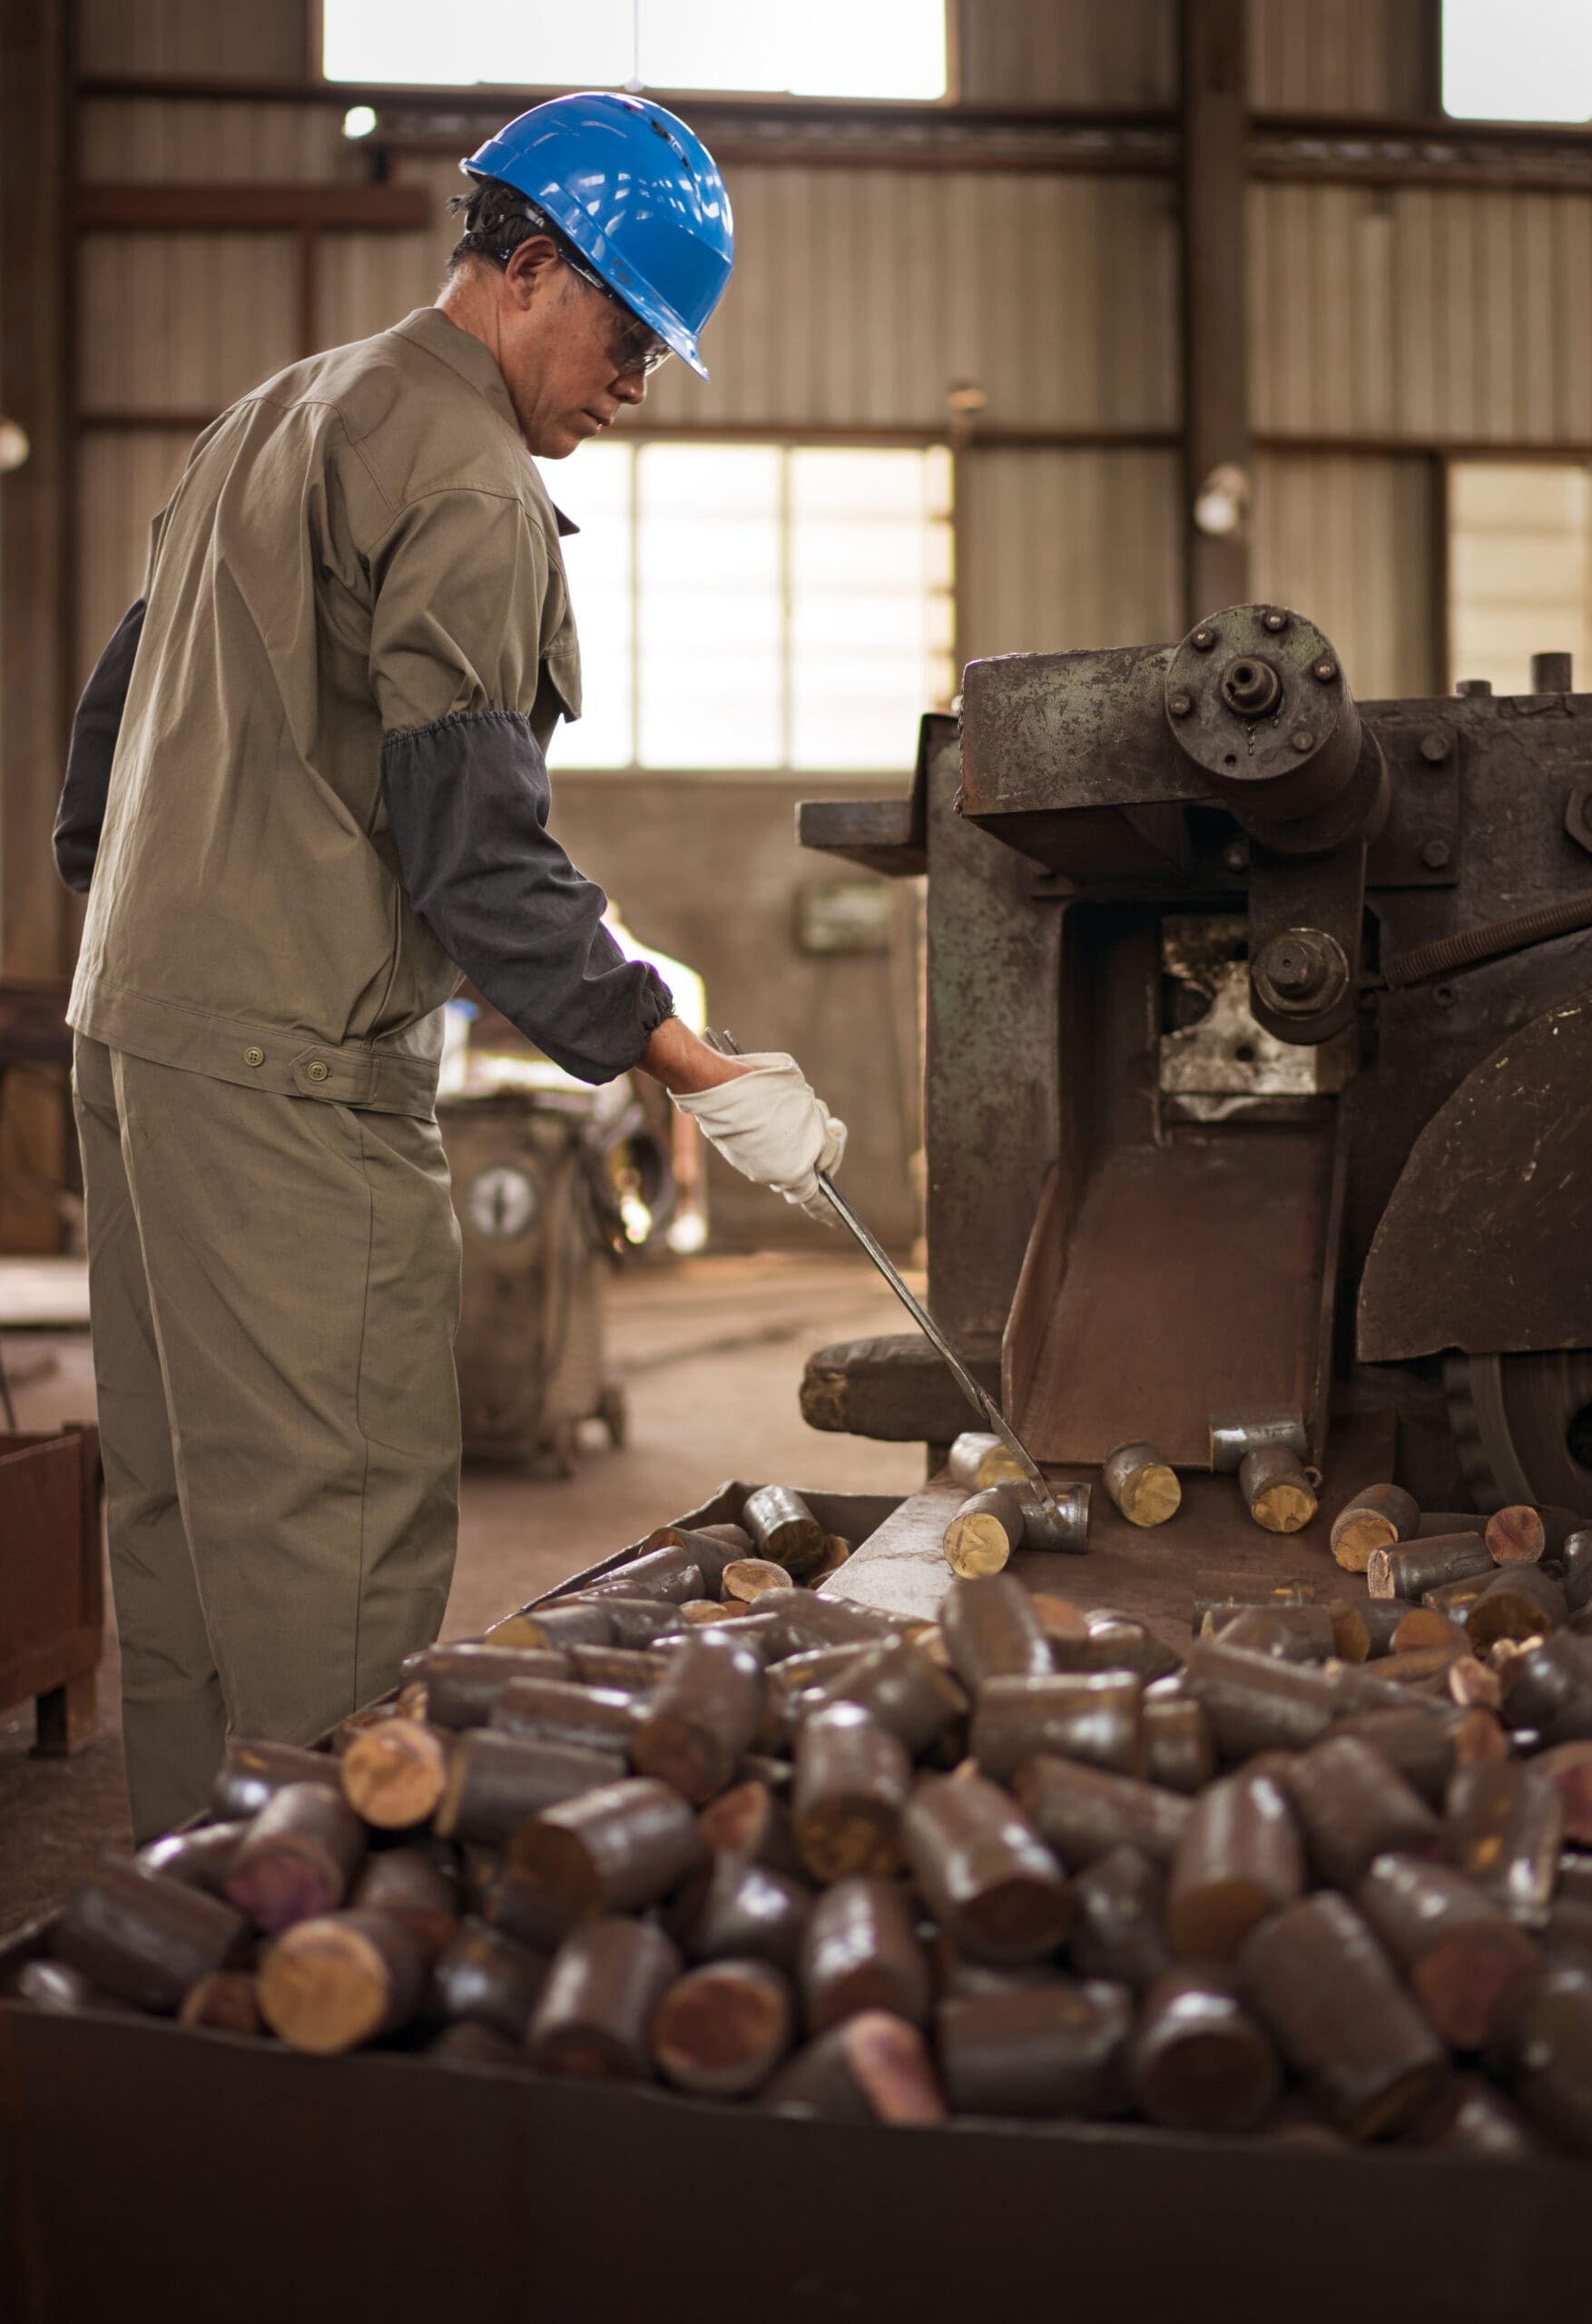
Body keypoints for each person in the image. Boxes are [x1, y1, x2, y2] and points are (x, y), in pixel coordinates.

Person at [52, 93, 844, 1845]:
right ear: (530, 268)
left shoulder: (280, 412)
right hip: (285, 1069)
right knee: (331, 1523)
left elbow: (110, 725)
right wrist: (682, 1054)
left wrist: (144, 942)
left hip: (140, 1039)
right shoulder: (470, 485)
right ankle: (324, 1945)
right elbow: (475, 856)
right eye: (631, 330)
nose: (637, 380)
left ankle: (192, 1921)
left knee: (183, 1521)